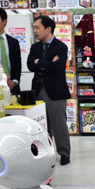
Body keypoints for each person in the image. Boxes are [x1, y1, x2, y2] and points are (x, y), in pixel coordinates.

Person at [28, 15, 71, 165]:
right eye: (34, 28)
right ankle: (47, 152)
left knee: (59, 124)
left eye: (37, 27)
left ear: (48, 28)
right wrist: (47, 64)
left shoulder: (61, 47)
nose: (35, 31)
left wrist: (39, 62)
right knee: (42, 125)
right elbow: (29, 65)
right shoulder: (35, 47)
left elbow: (58, 66)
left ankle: (64, 153)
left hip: (55, 91)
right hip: (37, 90)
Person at [0, 7, 22, 95]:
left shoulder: (13, 42)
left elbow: (18, 64)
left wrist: (15, 81)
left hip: (13, 86)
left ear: (4, 21)